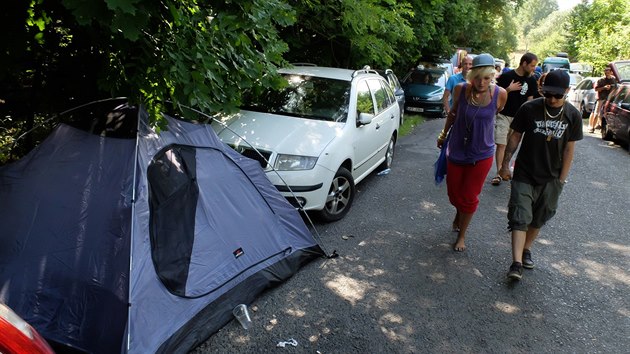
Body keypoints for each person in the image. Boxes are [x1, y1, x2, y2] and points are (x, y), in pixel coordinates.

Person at [498, 69, 583, 280]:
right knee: (519, 217)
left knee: (539, 217)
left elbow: (569, 150)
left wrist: (561, 180)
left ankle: (526, 249)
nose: (552, 99)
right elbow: (515, 136)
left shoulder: (573, 115)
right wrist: (505, 164)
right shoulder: (529, 108)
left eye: (557, 95)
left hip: (552, 176)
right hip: (525, 172)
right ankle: (516, 263)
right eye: (548, 94)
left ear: (567, 91)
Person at [436, 54, 507, 252]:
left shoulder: (500, 94)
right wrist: (443, 135)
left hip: (482, 153)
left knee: (469, 196)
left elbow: (496, 113)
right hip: (457, 149)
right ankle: (459, 211)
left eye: (487, 78)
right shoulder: (461, 89)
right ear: (471, 75)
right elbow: (452, 113)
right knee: (453, 194)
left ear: (492, 76)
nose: (482, 82)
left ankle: (462, 235)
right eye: (478, 77)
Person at [491, 52, 539, 186]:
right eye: (532, 65)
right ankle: (498, 173)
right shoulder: (507, 76)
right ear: (524, 63)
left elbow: (530, 101)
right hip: (504, 115)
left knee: (510, 146)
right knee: (501, 143)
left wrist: (529, 119)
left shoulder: (531, 80)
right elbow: (497, 96)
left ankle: (505, 168)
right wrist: (508, 89)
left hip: (519, 119)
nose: (534, 68)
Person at [588, 64, 618, 133]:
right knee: (597, 113)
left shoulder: (613, 79)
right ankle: (592, 127)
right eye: (605, 70)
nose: (606, 72)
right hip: (601, 98)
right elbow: (596, 89)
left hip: (610, 99)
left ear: (611, 72)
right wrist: (604, 88)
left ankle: (603, 128)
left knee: (606, 114)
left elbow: (616, 88)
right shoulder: (601, 80)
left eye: (608, 70)